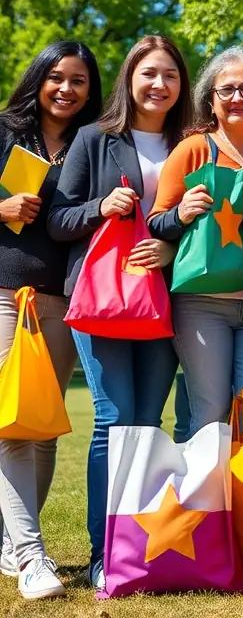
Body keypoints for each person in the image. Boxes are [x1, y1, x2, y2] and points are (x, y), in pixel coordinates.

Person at [48, 35, 191, 591]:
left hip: (164, 298)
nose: (159, 85)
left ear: (182, 85)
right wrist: (100, 208)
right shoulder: (95, 139)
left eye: (171, 76)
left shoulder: (193, 142)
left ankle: (139, 545)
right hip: (105, 299)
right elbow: (58, 221)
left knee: (147, 424)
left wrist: (173, 245)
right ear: (130, 78)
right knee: (113, 419)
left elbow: (204, 219)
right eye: (149, 73)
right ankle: (102, 550)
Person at [0, 42, 101, 600]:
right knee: (14, 422)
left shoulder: (94, 143)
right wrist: (1, 208)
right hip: (6, 296)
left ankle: (13, 544)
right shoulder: (5, 131)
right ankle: (34, 558)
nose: (66, 89)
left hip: (65, 299)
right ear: (39, 78)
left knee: (42, 428)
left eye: (79, 80)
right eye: (57, 77)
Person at [149, 47, 243, 433]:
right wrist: (182, 213)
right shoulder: (193, 149)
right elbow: (156, 222)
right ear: (210, 100)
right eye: (226, 90)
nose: (237, 97)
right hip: (200, 304)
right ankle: (205, 496)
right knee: (210, 413)